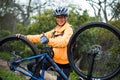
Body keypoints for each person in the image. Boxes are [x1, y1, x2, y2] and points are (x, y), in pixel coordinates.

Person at [16, 7, 73, 80]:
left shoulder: (69, 29)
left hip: (63, 64)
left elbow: (63, 42)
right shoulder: (56, 30)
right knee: (31, 66)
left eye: (62, 17)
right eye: (58, 17)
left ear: (66, 17)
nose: (60, 19)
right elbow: (40, 37)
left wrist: (48, 41)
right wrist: (25, 37)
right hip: (52, 60)